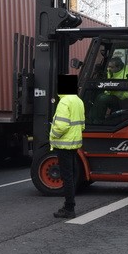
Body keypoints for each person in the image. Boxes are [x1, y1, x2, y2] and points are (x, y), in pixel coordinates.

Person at [51, 74, 85, 219]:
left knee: (67, 176)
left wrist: (53, 135)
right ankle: (69, 206)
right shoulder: (78, 101)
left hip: (64, 144)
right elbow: (82, 124)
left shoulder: (64, 102)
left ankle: (69, 207)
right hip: (74, 142)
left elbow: (61, 126)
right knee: (71, 173)